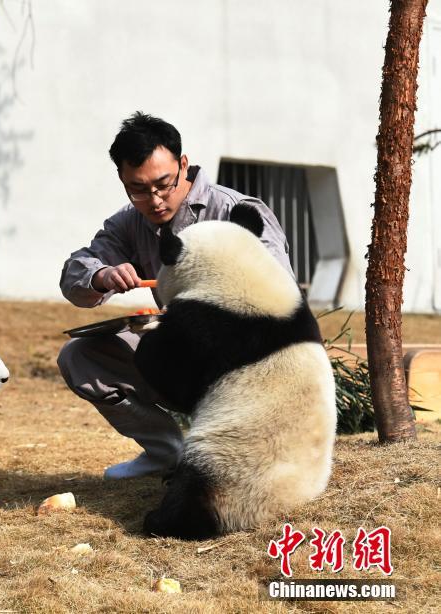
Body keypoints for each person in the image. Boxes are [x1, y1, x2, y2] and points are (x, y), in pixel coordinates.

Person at [57, 112, 293, 480]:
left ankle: (240, 454)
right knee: (80, 358)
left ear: (183, 165)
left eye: (163, 184)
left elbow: (280, 297)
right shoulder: (128, 223)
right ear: (122, 180)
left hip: (248, 362)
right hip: (180, 357)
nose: (154, 200)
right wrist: (101, 275)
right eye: (137, 189)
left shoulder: (234, 210)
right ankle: (165, 451)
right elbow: (74, 273)